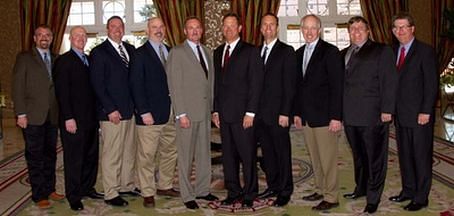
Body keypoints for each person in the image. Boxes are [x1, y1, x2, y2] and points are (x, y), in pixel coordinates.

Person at [341, 16, 398, 214]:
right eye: (352, 29)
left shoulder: (381, 51)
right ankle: (361, 188)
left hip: (372, 115)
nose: (355, 32)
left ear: (368, 31)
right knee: (358, 156)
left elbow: (389, 82)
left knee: (375, 159)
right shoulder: (344, 53)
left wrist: (387, 109)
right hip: (349, 116)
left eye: (359, 29)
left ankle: (373, 199)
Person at [166, 16, 219, 210]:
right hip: (187, 114)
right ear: (185, 31)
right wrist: (181, 114)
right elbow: (174, 84)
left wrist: (213, 110)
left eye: (198, 27)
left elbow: (210, 83)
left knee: (204, 154)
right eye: (191, 28)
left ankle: (203, 190)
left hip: (204, 113)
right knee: (186, 156)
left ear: (202, 30)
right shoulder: (177, 52)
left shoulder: (206, 51)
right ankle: (187, 194)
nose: (195, 31)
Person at [212, 13, 264, 208]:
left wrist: (251, 113)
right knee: (228, 157)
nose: (228, 29)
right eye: (225, 26)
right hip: (224, 115)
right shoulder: (218, 52)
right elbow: (217, 85)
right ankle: (233, 191)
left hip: (244, 116)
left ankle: (250, 192)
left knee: (247, 155)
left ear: (240, 28)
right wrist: (215, 110)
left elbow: (256, 84)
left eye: (232, 26)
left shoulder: (251, 51)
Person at [388, 13, 438, 211]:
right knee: (405, 155)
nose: (400, 31)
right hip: (400, 115)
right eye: (396, 28)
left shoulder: (425, 51)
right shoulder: (392, 52)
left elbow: (431, 84)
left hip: (420, 116)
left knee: (421, 156)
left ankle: (421, 197)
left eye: (403, 27)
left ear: (412, 28)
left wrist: (426, 111)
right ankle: (407, 190)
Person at [294, 14, 343, 211]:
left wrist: (336, 117)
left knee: (328, 158)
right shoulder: (298, 53)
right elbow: (298, 87)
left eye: (313, 28)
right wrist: (297, 113)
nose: (309, 31)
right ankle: (320, 188)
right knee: (315, 157)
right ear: (301, 29)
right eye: (306, 28)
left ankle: (331, 197)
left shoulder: (330, 52)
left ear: (320, 29)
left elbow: (337, 87)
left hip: (325, 117)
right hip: (306, 117)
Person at [12, 25, 65, 209]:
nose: (44, 38)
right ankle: (38, 194)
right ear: (34, 38)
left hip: (52, 117)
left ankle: (50, 189)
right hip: (32, 116)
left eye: (48, 35)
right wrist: (20, 113)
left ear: (52, 38)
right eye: (40, 35)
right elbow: (17, 87)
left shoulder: (57, 59)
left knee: (50, 155)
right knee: (35, 156)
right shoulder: (24, 58)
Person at [129, 17, 179, 208]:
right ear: (147, 31)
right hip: (149, 115)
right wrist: (143, 111)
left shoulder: (170, 51)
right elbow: (136, 84)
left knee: (170, 151)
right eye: (154, 27)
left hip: (170, 113)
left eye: (161, 27)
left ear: (165, 29)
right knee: (147, 155)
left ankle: (165, 185)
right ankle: (147, 191)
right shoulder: (139, 54)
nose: (158, 30)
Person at [90, 16, 139, 207]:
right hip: (112, 114)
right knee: (112, 153)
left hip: (130, 111)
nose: (117, 29)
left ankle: (126, 185)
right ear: (107, 29)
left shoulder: (131, 50)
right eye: (113, 26)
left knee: (129, 151)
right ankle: (111, 192)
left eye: (120, 26)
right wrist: (110, 109)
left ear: (124, 28)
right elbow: (98, 85)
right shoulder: (99, 52)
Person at [54, 26, 103, 211]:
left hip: (91, 119)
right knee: (74, 159)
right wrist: (68, 117)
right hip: (73, 120)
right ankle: (74, 195)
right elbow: (62, 93)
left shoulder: (88, 60)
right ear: (71, 38)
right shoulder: (64, 61)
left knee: (91, 157)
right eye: (77, 36)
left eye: (83, 36)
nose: (81, 39)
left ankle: (87, 188)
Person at [255, 13, 296, 207]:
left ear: (277, 28)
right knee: (268, 154)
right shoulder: (256, 52)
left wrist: (285, 113)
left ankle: (285, 190)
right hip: (260, 116)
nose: (268, 28)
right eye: (265, 25)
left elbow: (290, 85)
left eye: (272, 25)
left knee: (282, 153)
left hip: (279, 114)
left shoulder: (287, 51)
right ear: (261, 28)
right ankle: (273, 185)